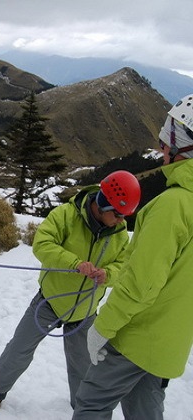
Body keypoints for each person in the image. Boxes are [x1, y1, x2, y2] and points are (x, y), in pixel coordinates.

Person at [0, 170, 141, 413]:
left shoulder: (119, 235)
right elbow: (43, 244)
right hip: (49, 301)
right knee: (19, 349)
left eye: (125, 216)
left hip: (85, 310)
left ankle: (83, 408)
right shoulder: (66, 215)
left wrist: (108, 274)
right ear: (103, 204)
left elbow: (122, 266)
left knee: (83, 365)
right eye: (117, 214)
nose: (121, 221)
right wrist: (74, 263)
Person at [73, 95, 193, 419]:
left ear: (181, 148)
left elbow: (143, 284)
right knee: (145, 411)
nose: (161, 152)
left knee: (91, 403)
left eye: (166, 144)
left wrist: (102, 327)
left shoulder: (173, 206)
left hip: (138, 337)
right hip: (170, 342)